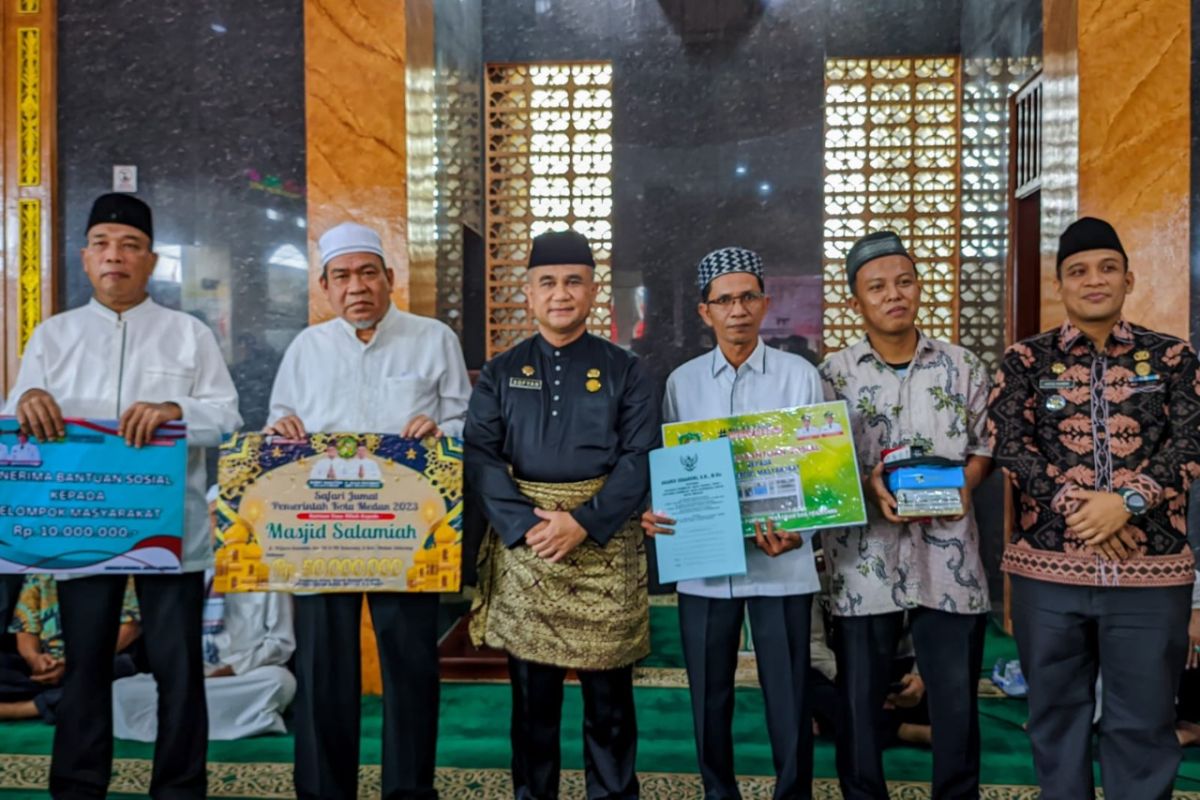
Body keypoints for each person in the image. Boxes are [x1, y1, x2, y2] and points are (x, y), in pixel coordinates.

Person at [3, 193, 242, 799]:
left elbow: (228, 417)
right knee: (85, 667)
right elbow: (15, 421)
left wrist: (174, 410)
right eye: (104, 244)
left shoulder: (188, 335)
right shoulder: (53, 337)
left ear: (152, 260)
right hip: (80, 532)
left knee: (179, 670)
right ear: (85, 258)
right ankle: (78, 787)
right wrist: (25, 402)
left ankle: (180, 789)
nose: (117, 256)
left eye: (131, 245)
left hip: (169, 536)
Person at [987, 217, 1200, 799]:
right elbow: (1012, 447)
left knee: (1144, 724)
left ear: (1129, 279)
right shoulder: (1024, 363)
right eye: (1078, 271)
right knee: (1056, 722)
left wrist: (1127, 504)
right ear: (1061, 286)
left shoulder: (1174, 359)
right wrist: (1085, 512)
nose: (1094, 281)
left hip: (1150, 576)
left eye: (1108, 268)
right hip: (1048, 576)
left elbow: (1189, 442)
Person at [266, 221, 471, 800]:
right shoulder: (307, 347)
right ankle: (325, 791)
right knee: (324, 670)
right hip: (321, 530)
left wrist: (441, 428)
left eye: (367, 273)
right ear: (326, 288)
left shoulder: (433, 339)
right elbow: (278, 426)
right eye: (342, 277)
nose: (356, 286)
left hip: (405, 529)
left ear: (389, 277)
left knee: (409, 668)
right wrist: (280, 430)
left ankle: (409, 791)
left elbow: (466, 423)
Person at [466, 229, 657, 800]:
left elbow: (640, 454)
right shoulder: (501, 371)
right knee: (533, 706)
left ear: (593, 291)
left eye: (573, 281)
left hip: (603, 544)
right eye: (547, 282)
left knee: (610, 706)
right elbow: (480, 453)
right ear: (528, 293)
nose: (561, 293)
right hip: (528, 552)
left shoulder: (626, 368)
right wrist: (526, 525)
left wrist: (582, 522)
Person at [641, 246, 821, 799]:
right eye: (724, 300)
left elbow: (818, 469)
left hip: (781, 559)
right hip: (705, 559)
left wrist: (801, 530)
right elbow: (673, 467)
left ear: (765, 304)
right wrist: (660, 511)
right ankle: (719, 792)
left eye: (747, 297)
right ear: (705, 312)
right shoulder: (683, 383)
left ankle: (793, 793)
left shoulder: (799, 375)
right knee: (708, 693)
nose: (737, 310)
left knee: (789, 693)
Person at [819, 231, 992, 800]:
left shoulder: (962, 366)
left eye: (904, 281)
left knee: (956, 701)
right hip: (862, 560)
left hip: (950, 559)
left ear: (919, 288)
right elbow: (823, 464)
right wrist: (868, 485)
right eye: (877, 287)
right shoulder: (832, 375)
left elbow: (983, 446)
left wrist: (962, 487)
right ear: (855, 301)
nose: (894, 295)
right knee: (860, 701)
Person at [113, 488, 297, 742]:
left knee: (279, 681)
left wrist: (232, 669)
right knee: (122, 689)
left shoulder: (266, 571)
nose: (222, 524)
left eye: (232, 516)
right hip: (190, 673)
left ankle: (188, 717)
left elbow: (281, 643)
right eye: (214, 515)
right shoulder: (186, 575)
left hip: (242, 675)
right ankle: (218, 716)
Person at [1, 575, 141, 722]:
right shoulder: (42, 569)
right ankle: (54, 699)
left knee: (116, 671)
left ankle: (25, 709)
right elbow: (25, 625)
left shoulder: (120, 568)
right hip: (47, 666)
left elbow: (131, 627)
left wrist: (73, 663)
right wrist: (35, 659)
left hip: (97, 657)